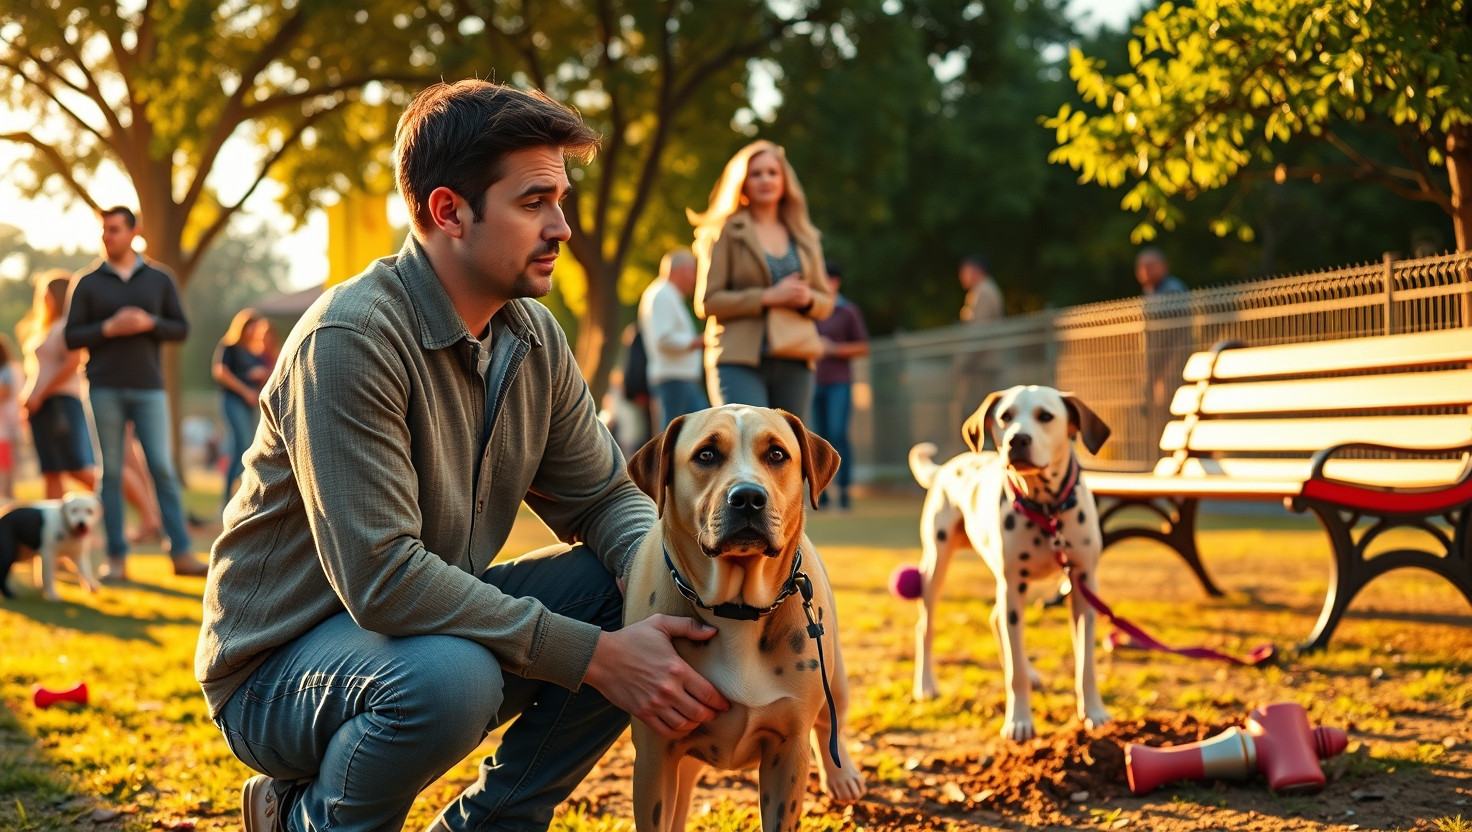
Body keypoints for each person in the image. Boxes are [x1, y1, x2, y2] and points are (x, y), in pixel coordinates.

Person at [195, 79, 728, 832]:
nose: (562, 227)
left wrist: (659, 582)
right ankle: (304, 820)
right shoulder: (349, 340)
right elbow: (382, 580)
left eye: (562, 201)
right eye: (534, 202)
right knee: (452, 681)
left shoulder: (532, 338)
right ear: (448, 211)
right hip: (275, 674)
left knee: (635, 588)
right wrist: (597, 657)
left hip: (413, 639)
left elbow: (606, 498)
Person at [64, 206, 207, 580]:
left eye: (114, 229)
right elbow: (71, 336)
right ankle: (117, 559)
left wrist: (150, 323)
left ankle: (181, 554)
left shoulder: (160, 279)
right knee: (109, 474)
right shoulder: (87, 282)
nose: (107, 236)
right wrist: (109, 328)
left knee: (162, 467)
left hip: (149, 389)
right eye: (104, 230)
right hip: (103, 387)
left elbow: (180, 328)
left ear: (134, 232)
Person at [689, 139, 833, 424]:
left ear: (784, 180)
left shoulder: (805, 235)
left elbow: (825, 302)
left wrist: (808, 300)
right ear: (742, 183)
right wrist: (769, 297)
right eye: (756, 174)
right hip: (737, 359)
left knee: (790, 449)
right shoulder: (724, 231)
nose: (765, 180)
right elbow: (707, 302)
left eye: (772, 172)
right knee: (747, 438)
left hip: (795, 356)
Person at [17, 270, 98, 500]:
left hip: (59, 404)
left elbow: (73, 363)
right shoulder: (49, 327)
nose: (42, 299)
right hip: (43, 407)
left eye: (46, 294)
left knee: (76, 467)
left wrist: (40, 395)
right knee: (51, 471)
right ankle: (53, 531)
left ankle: (119, 499)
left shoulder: (65, 326)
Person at [810, 260, 869, 512]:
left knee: (838, 434)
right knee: (817, 438)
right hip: (813, 381)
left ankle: (844, 491)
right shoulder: (810, 310)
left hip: (839, 384)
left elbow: (863, 346)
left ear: (835, 282)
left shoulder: (848, 312)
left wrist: (833, 348)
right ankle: (820, 493)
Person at [637, 248, 708, 429]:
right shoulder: (663, 295)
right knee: (676, 437)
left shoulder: (664, 294)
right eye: (693, 272)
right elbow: (664, 338)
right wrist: (697, 342)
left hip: (677, 379)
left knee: (683, 435)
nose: (694, 279)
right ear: (683, 270)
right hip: (675, 380)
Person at [211, 308, 273, 511]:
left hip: (249, 405)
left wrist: (260, 376)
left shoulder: (255, 353)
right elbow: (221, 371)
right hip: (233, 402)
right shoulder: (230, 347)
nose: (255, 331)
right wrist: (245, 390)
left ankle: (240, 498)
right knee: (240, 447)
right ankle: (227, 499)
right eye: (252, 327)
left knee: (247, 448)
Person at [958, 253, 1004, 324]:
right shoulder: (984, 287)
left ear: (977, 271)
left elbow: (980, 326)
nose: (961, 277)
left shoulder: (983, 291)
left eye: (964, 272)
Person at [0, 335, 19, 500]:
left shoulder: (6, 370)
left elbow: (4, 393)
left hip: (4, 428)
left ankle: (7, 501)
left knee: (5, 472)